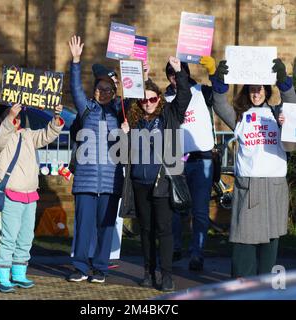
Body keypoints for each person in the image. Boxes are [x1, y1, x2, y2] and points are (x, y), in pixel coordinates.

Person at [211, 57, 296, 278]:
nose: (256, 93)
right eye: (251, 90)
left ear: (267, 91)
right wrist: (219, 84)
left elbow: (292, 103)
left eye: (260, 90)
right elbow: (219, 104)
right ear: (247, 92)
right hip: (248, 186)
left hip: (275, 185)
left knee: (271, 242)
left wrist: (285, 83)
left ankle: (265, 287)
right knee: (243, 241)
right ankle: (241, 287)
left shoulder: (279, 113)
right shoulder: (240, 117)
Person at [120, 56, 192, 291]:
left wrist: (180, 72)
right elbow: (129, 97)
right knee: (147, 230)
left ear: (159, 99)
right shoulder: (134, 118)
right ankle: (149, 272)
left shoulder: (170, 115)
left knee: (164, 229)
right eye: (144, 100)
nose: (148, 103)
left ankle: (167, 275)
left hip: (162, 181)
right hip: (140, 181)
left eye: (152, 99)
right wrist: (140, 76)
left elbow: (185, 96)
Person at [67, 35, 124, 284]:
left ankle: (100, 269)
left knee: (106, 227)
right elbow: (75, 88)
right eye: (100, 88)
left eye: (108, 89)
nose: (103, 92)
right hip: (86, 182)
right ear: (95, 90)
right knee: (83, 227)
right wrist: (76, 61)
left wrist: (140, 74)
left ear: (114, 92)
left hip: (111, 181)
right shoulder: (86, 108)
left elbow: (137, 99)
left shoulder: (120, 111)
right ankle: (80, 267)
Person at [0, 102, 64, 293]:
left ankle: (18, 273)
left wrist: (55, 118)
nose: (16, 117)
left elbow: (47, 135)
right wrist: (10, 117)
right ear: (2, 118)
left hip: (30, 194)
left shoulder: (27, 134)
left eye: (17, 113)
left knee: (25, 237)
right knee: (9, 238)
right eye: (10, 114)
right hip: (10, 193)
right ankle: (2, 276)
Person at [165, 57, 217, 271]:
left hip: (202, 158)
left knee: (200, 211)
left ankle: (197, 253)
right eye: (171, 75)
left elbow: (221, 91)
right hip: (178, 160)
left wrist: (213, 71)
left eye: (178, 73)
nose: (175, 78)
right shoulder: (166, 97)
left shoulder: (202, 91)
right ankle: (176, 247)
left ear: (185, 72)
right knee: (176, 208)